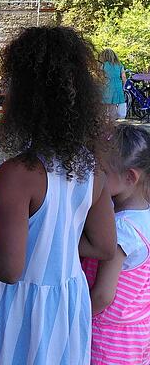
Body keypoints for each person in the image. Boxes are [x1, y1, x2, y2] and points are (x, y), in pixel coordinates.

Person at [0, 26, 116, 364]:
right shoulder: (90, 168)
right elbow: (104, 245)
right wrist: (48, 242)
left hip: (18, 311)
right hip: (64, 308)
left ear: (23, 97)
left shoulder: (18, 174)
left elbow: (9, 269)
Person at [82, 124, 150, 364]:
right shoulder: (144, 216)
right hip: (136, 334)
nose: (92, 176)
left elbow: (103, 295)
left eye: (101, 171)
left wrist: (71, 321)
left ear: (130, 177)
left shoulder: (122, 229)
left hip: (107, 338)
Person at [99, 48, 127, 119]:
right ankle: (112, 125)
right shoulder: (120, 65)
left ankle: (104, 125)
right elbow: (124, 78)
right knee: (113, 107)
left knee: (104, 108)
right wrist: (123, 87)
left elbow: (100, 77)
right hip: (117, 87)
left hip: (106, 86)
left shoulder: (103, 65)